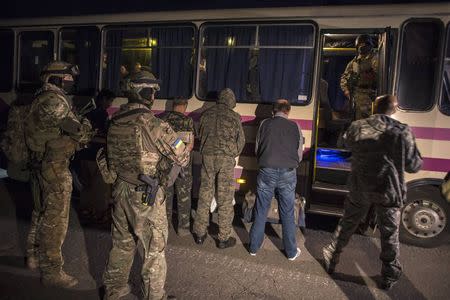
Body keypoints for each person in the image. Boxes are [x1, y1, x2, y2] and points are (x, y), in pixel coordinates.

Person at [103, 70, 190, 300]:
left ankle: (114, 290)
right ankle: (154, 296)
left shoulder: (115, 121)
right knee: (154, 250)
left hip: (120, 190)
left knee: (122, 244)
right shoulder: (154, 124)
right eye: (152, 90)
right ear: (147, 93)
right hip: (145, 195)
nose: (154, 95)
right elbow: (182, 156)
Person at [322, 95, 423, 290]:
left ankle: (332, 255)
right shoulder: (402, 131)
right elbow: (414, 165)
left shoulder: (357, 126)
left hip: (360, 186)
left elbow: (345, 145)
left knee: (347, 224)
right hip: (388, 190)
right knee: (389, 234)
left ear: (373, 108)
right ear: (393, 110)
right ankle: (389, 275)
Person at [24, 61, 92, 287]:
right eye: (67, 78)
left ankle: (33, 255)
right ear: (55, 78)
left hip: (40, 162)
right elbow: (79, 132)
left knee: (41, 210)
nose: (70, 83)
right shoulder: (54, 100)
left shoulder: (40, 96)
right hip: (53, 166)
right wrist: (86, 127)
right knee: (55, 218)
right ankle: (52, 271)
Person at [248, 99, 303, 260]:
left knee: (261, 209)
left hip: (266, 171)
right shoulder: (295, 126)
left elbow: (258, 149)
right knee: (287, 212)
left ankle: (253, 247)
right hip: (288, 173)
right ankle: (291, 252)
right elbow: (299, 154)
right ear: (288, 111)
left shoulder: (264, 124)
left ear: (273, 111)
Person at [193, 88, 245, 249]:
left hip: (207, 157)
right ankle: (223, 238)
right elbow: (241, 141)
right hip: (225, 159)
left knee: (204, 194)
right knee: (225, 198)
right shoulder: (234, 117)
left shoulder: (205, 114)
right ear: (231, 102)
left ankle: (200, 234)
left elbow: (199, 136)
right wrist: (231, 153)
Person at [159, 98, 195, 236]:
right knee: (184, 195)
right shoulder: (187, 121)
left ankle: (165, 227)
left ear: (173, 106)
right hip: (182, 164)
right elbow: (190, 145)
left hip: (165, 163)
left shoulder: (161, 119)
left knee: (166, 194)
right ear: (184, 106)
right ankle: (183, 228)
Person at [340, 34, 378, 120]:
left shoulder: (376, 59)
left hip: (371, 95)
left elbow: (378, 76)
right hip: (356, 95)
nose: (362, 47)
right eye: (359, 45)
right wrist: (347, 92)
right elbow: (344, 78)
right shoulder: (354, 62)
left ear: (369, 46)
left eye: (364, 45)